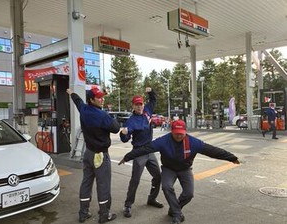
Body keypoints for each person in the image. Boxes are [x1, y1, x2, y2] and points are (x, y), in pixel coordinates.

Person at [119, 119, 240, 224]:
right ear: (171, 131)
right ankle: (177, 214)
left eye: (181, 134)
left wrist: (231, 157)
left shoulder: (193, 142)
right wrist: (128, 156)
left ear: (185, 132)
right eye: (176, 134)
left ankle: (173, 209)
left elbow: (212, 151)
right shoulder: (163, 141)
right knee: (166, 187)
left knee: (189, 193)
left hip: (184, 169)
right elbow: (145, 149)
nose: (178, 136)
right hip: (168, 168)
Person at [67, 87, 120, 223]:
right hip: (100, 156)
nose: (102, 99)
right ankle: (104, 215)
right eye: (99, 97)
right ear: (91, 99)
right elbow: (116, 128)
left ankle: (83, 213)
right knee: (103, 186)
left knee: (86, 183)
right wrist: (108, 115)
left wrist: (71, 93)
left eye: (102, 97)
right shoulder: (102, 115)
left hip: (88, 153)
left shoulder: (83, 109)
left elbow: (77, 100)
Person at [119, 87, 163, 218]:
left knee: (158, 176)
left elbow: (154, 100)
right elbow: (125, 138)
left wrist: (150, 92)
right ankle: (128, 205)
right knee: (135, 180)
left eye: (141, 104)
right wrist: (123, 134)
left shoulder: (147, 111)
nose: (139, 107)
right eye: (137, 105)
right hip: (138, 152)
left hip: (150, 150)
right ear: (133, 106)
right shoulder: (131, 120)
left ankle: (151, 199)